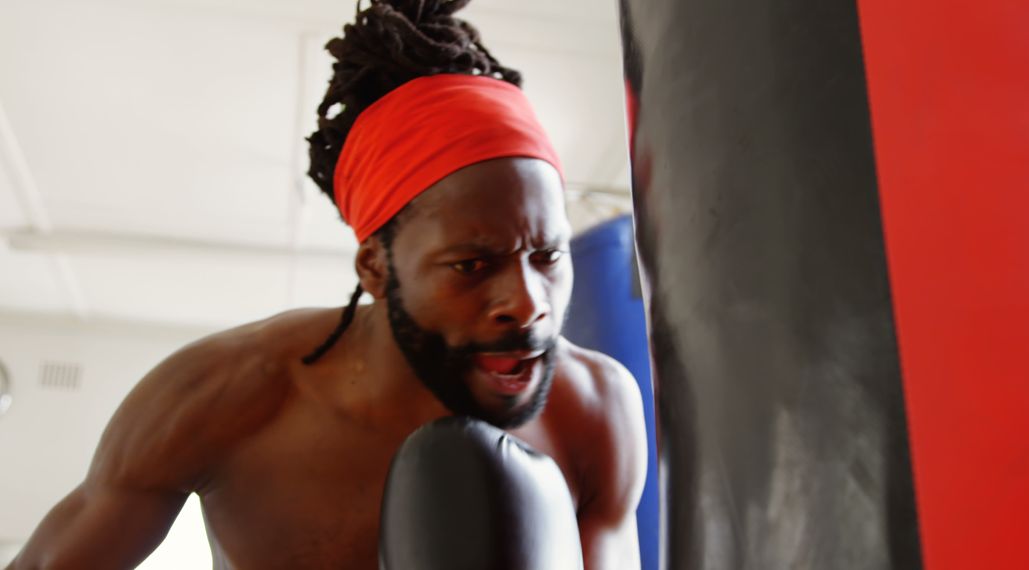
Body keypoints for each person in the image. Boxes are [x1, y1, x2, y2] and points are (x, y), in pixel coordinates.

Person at [6, 0, 648, 568]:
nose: (528, 305)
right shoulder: (220, 398)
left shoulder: (595, 410)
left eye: (547, 255)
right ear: (374, 267)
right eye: (472, 265)